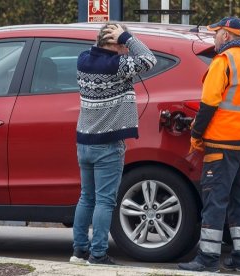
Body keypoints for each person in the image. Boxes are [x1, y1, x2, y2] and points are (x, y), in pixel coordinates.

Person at [178, 16, 240, 272]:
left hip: (221, 142)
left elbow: (208, 103)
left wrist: (196, 134)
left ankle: (207, 260)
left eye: (216, 33)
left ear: (227, 36)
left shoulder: (223, 62)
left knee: (215, 200)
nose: (214, 38)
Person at [70, 23, 156, 265]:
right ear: (115, 43)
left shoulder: (83, 59)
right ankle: (97, 254)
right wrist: (127, 37)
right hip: (107, 144)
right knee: (105, 201)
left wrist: (112, 38)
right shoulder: (117, 65)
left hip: (84, 141)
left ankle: (79, 251)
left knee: (86, 197)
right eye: (121, 45)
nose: (126, 49)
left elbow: (98, 51)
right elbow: (149, 59)